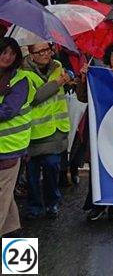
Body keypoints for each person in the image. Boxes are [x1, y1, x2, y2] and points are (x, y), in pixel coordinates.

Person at [77, 43, 113, 221]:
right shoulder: (98, 75)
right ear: (108, 56)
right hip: (100, 129)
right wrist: (84, 79)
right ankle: (98, 204)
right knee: (98, 166)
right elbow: (82, 97)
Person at [17, 42, 71, 219]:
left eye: (47, 50)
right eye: (40, 51)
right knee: (32, 172)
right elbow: (35, 98)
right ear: (31, 54)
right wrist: (58, 82)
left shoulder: (58, 67)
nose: (45, 54)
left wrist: (71, 76)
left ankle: (52, 202)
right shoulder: (23, 73)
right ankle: (34, 206)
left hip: (56, 129)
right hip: (33, 131)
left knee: (51, 166)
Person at [0, 38, 34, 235]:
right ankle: (21, 262)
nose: (7, 57)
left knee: (3, 196)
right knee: (7, 202)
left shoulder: (20, 79)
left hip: (10, 148)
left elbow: (8, 111)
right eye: (4, 52)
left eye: (12, 54)